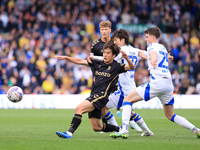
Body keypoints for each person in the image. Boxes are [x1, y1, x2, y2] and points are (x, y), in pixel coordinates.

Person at [110, 27, 200, 139]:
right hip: (168, 83)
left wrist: (152, 59)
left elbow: (151, 53)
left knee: (127, 100)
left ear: (153, 37)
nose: (146, 39)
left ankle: (124, 130)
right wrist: (166, 56)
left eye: (147, 37)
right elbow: (145, 54)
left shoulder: (152, 46)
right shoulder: (163, 48)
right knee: (170, 115)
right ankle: (196, 130)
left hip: (158, 83)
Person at [54, 40, 135, 139]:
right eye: (104, 52)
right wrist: (67, 58)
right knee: (97, 127)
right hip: (94, 95)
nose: (105, 55)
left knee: (79, 108)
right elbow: (80, 61)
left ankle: (69, 133)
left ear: (114, 55)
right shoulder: (98, 63)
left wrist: (126, 58)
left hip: (102, 96)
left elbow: (131, 67)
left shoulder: (116, 66)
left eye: (108, 53)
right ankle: (119, 129)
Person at [90, 29, 154, 134]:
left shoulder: (121, 51)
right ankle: (147, 131)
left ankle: (121, 129)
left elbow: (106, 58)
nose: (114, 43)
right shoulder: (134, 50)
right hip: (129, 87)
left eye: (116, 40)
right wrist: (164, 56)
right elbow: (147, 54)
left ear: (122, 40)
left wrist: (93, 57)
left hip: (123, 88)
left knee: (104, 106)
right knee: (129, 113)